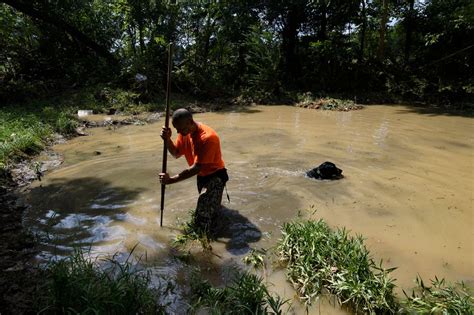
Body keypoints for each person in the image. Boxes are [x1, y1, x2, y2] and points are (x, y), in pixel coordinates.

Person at [159, 108, 228, 233]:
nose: (178, 132)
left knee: (202, 217)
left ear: (190, 122)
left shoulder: (208, 138)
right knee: (209, 209)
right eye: (176, 129)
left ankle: (210, 237)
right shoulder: (184, 133)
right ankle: (217, 221)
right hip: (201, 177)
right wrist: (167, 139)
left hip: (215, 176)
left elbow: (196, 168)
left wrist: (170, 180)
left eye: (180, 129)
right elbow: (175, 153)